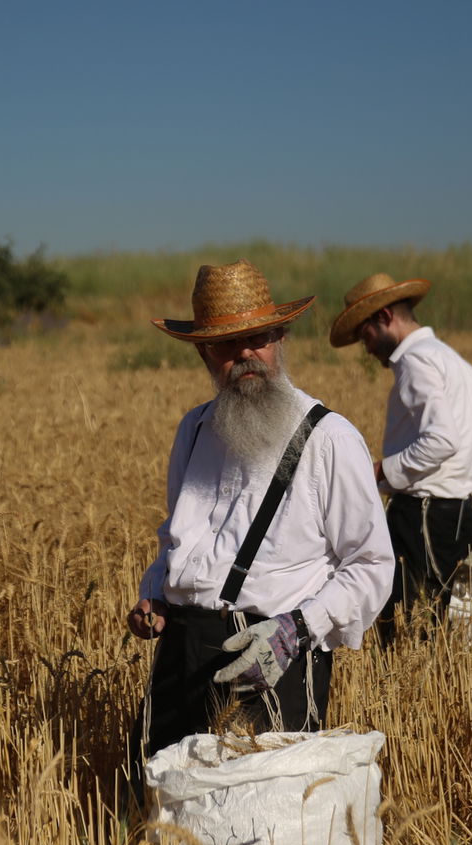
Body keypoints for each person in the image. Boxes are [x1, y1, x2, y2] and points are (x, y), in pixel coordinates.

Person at [127, 260, 394, 763]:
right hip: (180, 653)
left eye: (259, 339)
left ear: (281, 338)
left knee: (257, 828)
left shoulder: (329, 438)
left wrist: (298, 629)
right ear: (204, 352)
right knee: (158, 807)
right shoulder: (195, 429)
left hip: (273, 655)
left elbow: (371, 564)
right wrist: (154, 596)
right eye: (228, 344)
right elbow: (177, 540)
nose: (246, 354)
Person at [329, 274, 472, 648]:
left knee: (409, 630)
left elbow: (442, 440)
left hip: (424, 514)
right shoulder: (455, 362)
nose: (367, 349)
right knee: (452, 622)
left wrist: (380, 471)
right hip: (458, 508)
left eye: (365, 336)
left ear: (385, 316)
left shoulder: (416, 363)